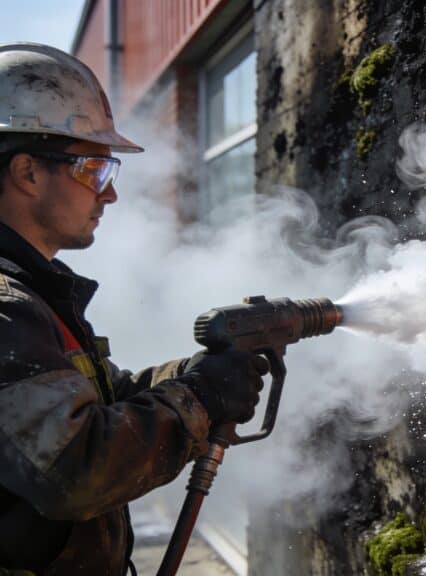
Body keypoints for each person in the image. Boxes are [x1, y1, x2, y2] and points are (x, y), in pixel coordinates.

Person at [0, 42, 266, 575]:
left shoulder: (33, 293)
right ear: (28, 173)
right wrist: (200, 398)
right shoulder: (8, 308)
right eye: (93, 168)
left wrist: (191, 374)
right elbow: (74, 470)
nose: (110, 195)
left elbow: (102, 397)